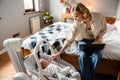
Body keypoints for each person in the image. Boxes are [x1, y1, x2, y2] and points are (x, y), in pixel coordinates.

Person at [50, 3, 107, 80]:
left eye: (76, 16)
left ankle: (89, 77)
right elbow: (70, 39)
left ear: (83, 13)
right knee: (83, 56)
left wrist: (98, 39)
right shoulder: (76, 24)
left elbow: (104, 30)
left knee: (98, 56)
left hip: (96, 41)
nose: (74, 19)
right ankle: (89, 78)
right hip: (83, 40)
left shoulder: (99, 17)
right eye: (73, 17)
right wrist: (59, 53)